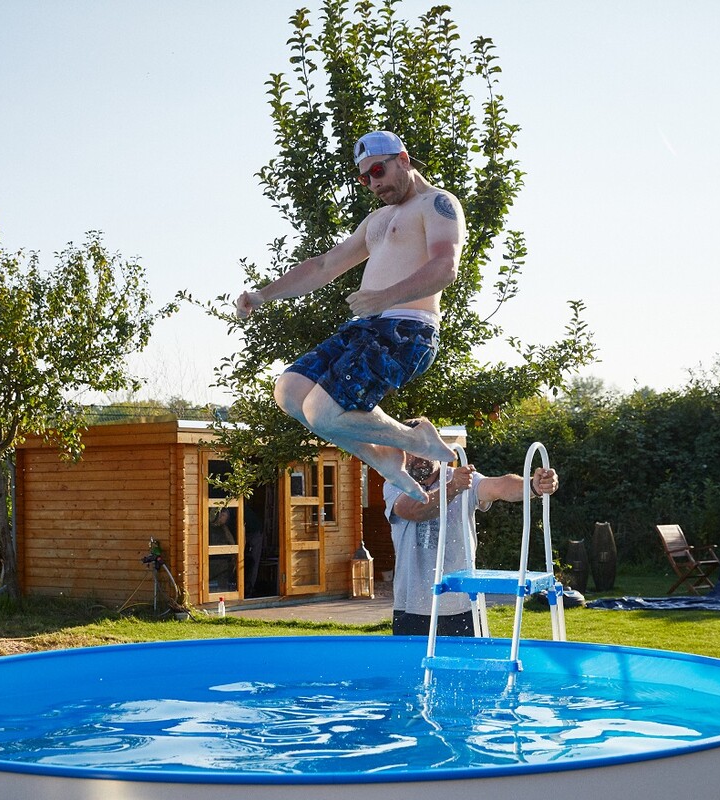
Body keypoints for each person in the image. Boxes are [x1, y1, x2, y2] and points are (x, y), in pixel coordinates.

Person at [236, 131, 466, 504]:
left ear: (403, 160)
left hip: (408, 329)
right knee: (290, 392)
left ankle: (415, 440)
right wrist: (264, 294)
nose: (374, 183)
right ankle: (387, 462)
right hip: (366, 328)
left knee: (324, 414)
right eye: (365, 178)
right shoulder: (377, 220)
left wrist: (385, 297)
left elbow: (445, 267)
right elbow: (324, 266)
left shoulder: (438, 204)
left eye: (379, 170)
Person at [384, 430, 559, 636]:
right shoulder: (395, 483)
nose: (419, 456)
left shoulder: (462, 478)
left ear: (436, 447)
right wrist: (452, 488)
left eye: (424, 447)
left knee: (473, 667)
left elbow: (499, 486)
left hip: (463, 604)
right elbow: (412, 510)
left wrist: (532, 485)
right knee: (412, 668)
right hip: (412, 606)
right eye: (411, 449)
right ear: (401, 454)